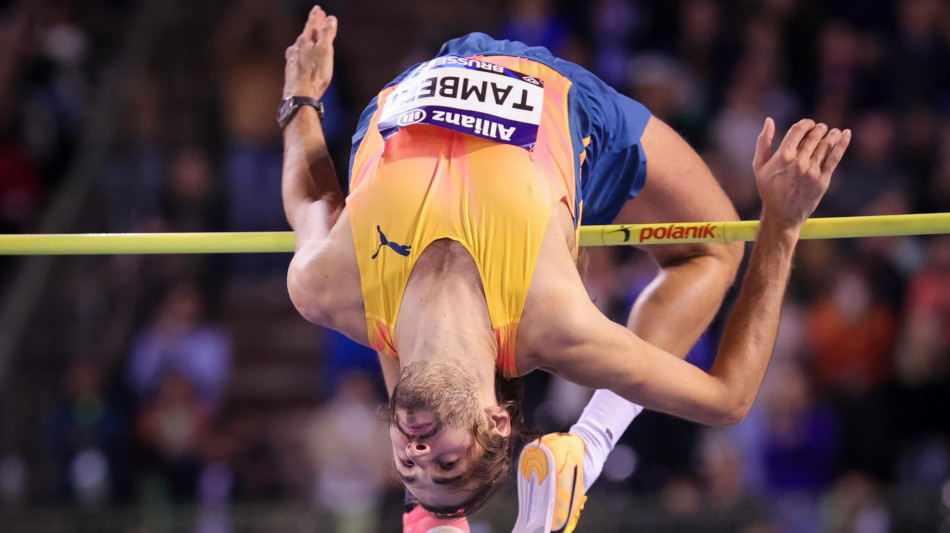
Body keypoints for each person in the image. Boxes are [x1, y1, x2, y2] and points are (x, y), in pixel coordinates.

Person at [279, 6, 851, 533]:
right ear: (497, 421)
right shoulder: (553, 322)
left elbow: (311, 198)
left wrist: (300, 98)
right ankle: (589, 448)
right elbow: (729, 399)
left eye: (408, 466)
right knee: (714, 250)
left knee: (395, 327)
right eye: (448, 463)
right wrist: (782, 222)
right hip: (562, 107)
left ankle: (435, 517)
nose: (419, 453)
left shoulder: (326, 287)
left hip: (415, 89)